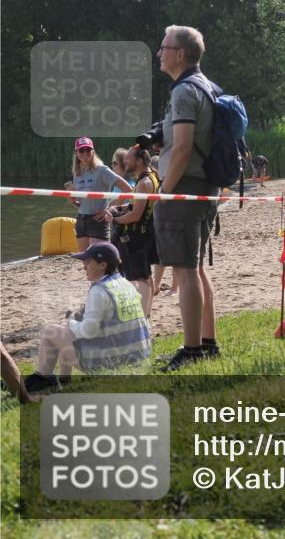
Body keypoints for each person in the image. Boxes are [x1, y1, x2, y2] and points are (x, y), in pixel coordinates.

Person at [154, 25, 223, 369]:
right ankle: (207, 342)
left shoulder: (184, 91)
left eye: (163, 47)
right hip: (206, 187)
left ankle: (192, 349)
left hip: (184, 188)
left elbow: (182, 148)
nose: (159, 52)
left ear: (180, 53)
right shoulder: (207, 86)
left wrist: (164, 191)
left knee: (184, 271)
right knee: (194, 269)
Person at [22, 242, 151, 393]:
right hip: (136, 356)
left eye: (88, 262)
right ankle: (64, 379)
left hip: (110, 362)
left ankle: (43, 378)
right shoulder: (127, 285)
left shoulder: (99, 290)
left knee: (50, 332)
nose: (84, 266)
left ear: (103, 265)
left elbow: (90, 331)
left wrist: (71, 323)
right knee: (68, 330)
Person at [103, 145, 160, 318]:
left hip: (138, 235)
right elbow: (136, 205)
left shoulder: (144, 183)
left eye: (129, 158)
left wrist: (115, 219)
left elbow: (135, 215)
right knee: (146, 275)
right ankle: (147, 315)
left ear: (139, 160)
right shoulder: (152, 177)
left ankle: (143, 318)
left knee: (141, 278)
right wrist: (119, 208)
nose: (125, 161)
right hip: (147, 233)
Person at [67, 137, 133, 252]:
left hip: (98, 220)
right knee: (86, 263)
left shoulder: (102, 170)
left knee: (98, 260)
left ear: (93, 152)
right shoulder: (77, 173)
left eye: (88, 150)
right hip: (81, 219)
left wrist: (109, 209)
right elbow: (79, 204)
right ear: (77, 153)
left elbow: (128, 189)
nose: (85, 153)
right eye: (81, 150)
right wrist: (72, 200)